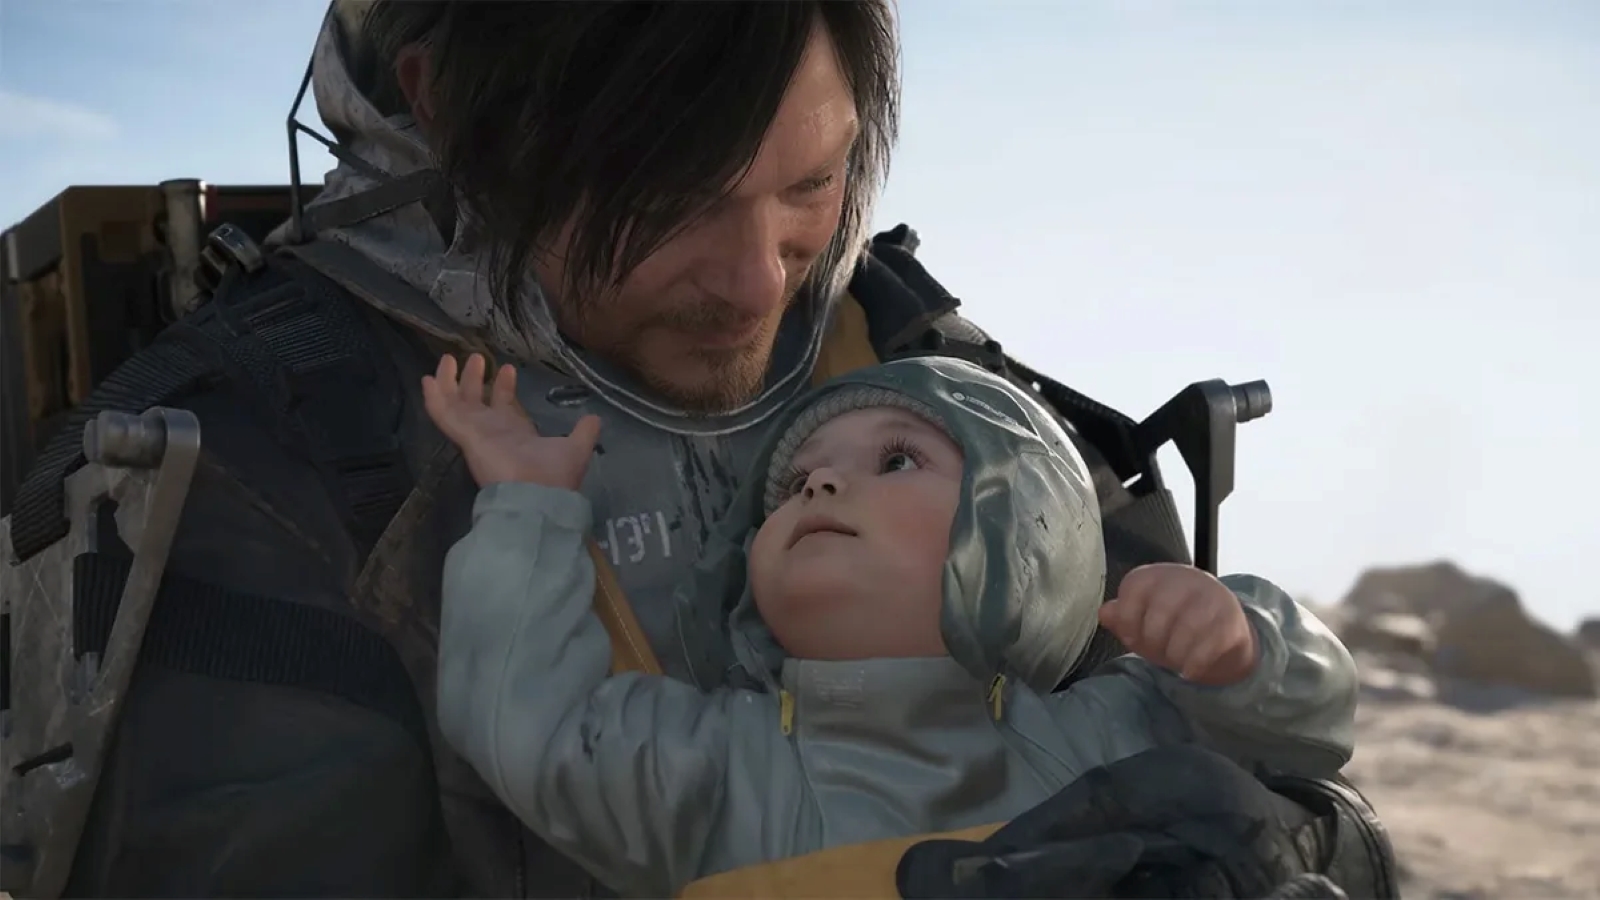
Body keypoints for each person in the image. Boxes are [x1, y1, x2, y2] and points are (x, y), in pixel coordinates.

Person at [6, 1, 1396, 897]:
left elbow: (1290, 784)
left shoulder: (912, 357)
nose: (755, 284)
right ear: (449, 111)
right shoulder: (268, 463)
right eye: (670, 201)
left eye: (809, 186)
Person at [424, 352, 1358, 898]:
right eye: (795, 484)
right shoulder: (717, 767)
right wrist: (527, 505)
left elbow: (1309, 735)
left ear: (1026, 521)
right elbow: (531, 725)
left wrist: (1239, 645)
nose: (823, 484)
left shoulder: (1105, 727)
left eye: (898, 459)